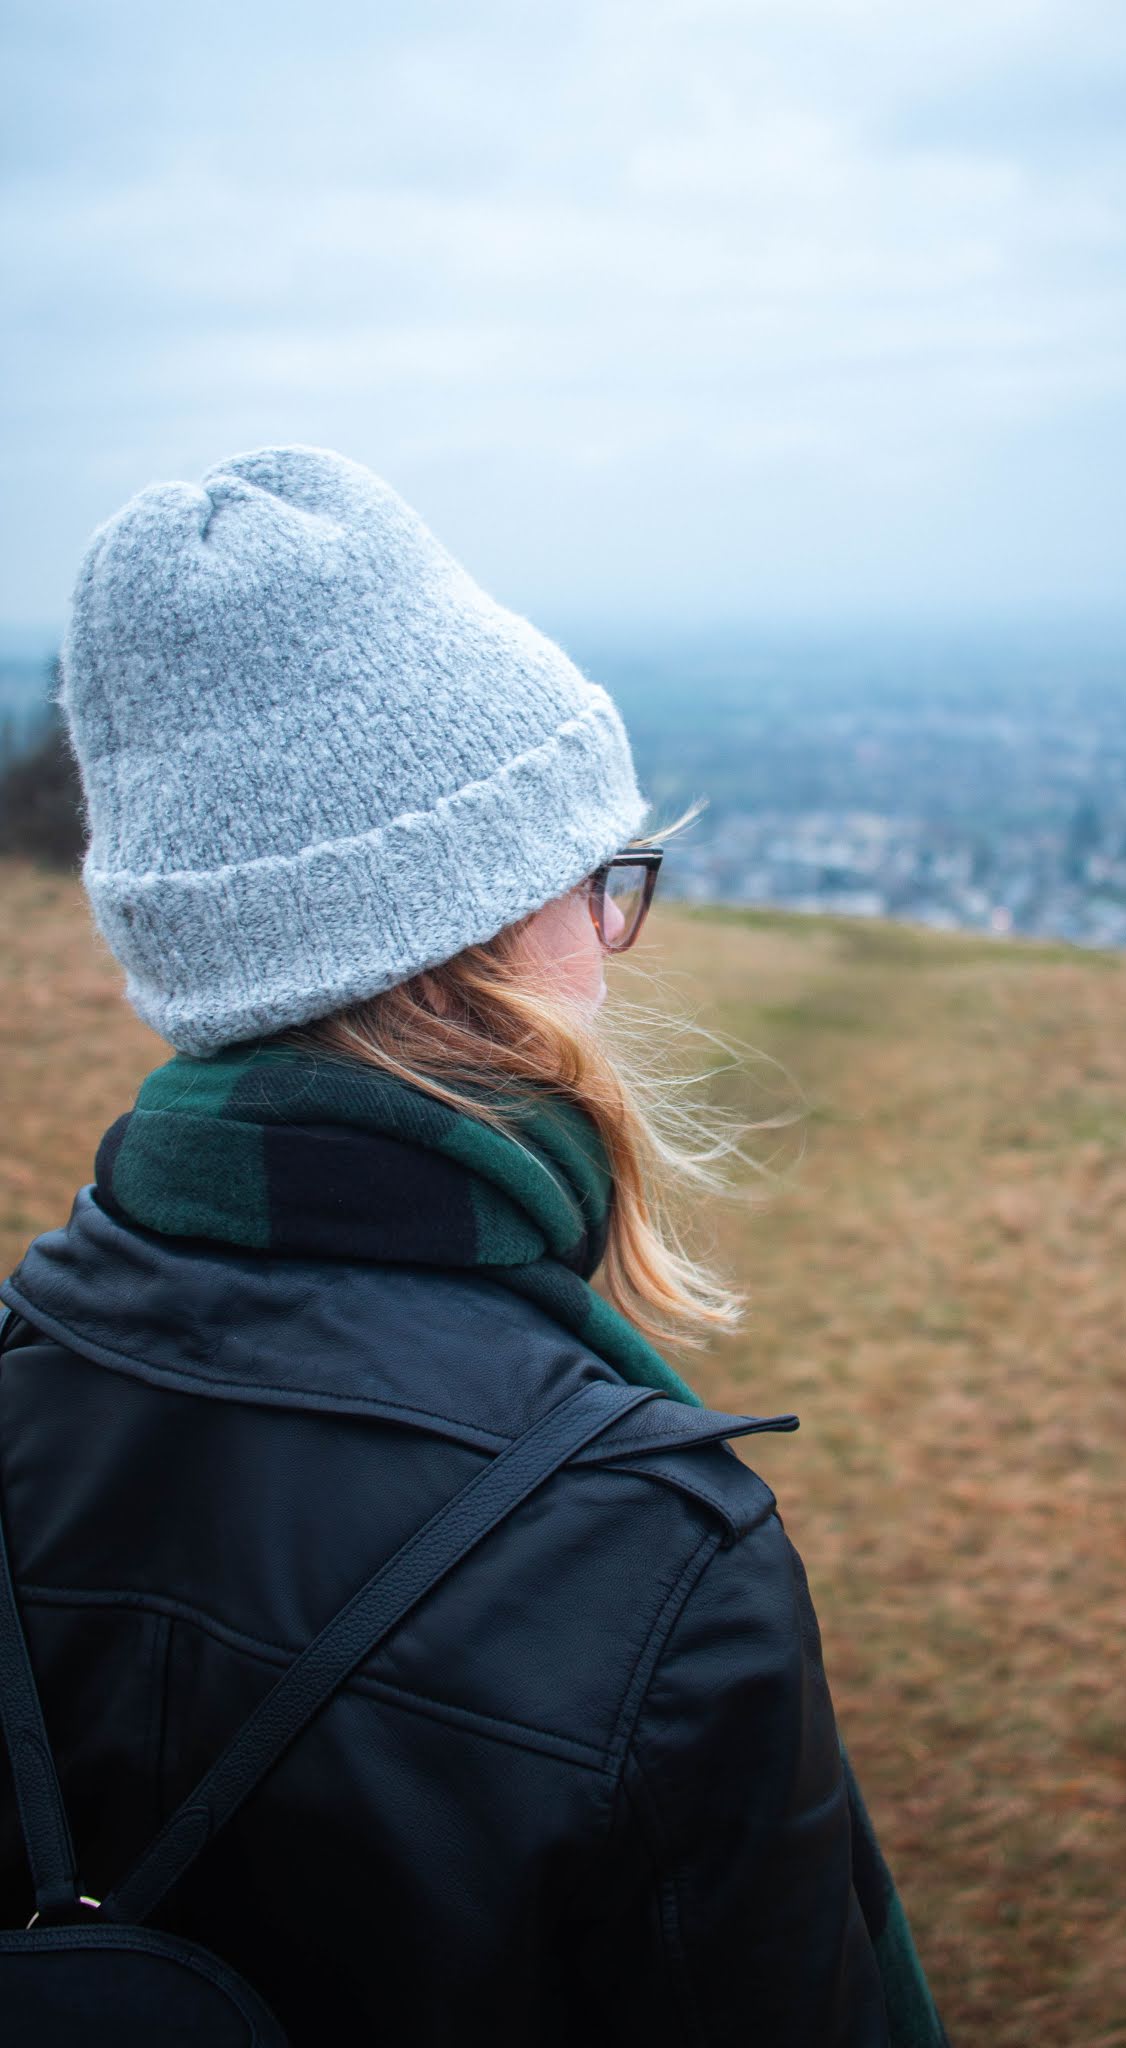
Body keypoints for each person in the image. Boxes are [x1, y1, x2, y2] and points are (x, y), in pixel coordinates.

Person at [0, 446, 950, 2045]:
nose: (614, 937)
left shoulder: (25, 1382)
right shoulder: (650, 1557)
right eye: (601, 880)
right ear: (496, 929)